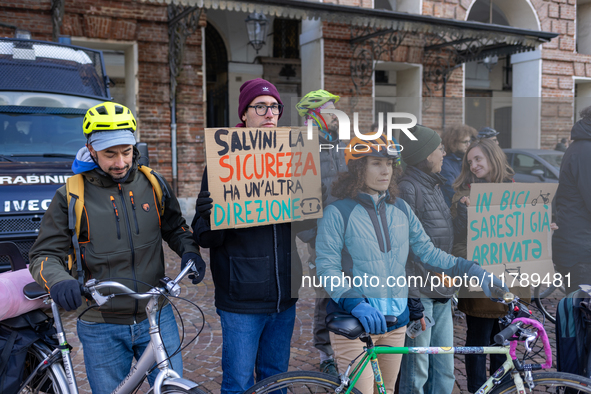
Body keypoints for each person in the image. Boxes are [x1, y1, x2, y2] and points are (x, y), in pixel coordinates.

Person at [28, 102, 205, 394]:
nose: (121, 162)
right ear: (91, 149)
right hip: (101, 323)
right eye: (110, 154)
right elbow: (43, 255)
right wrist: (59, 281)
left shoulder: (153, 183)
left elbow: (175, 227)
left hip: (157, 314)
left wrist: (190, 251)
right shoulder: (71, 195)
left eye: (126, 151)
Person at [315, 133, 508, 394]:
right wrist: (354, 301)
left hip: (396, 322)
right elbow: (326, 268)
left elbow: (430, 253)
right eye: (376, 163)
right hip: (356, 323)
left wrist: (474, 271)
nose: (386, 171)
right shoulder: (338, 212)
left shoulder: (402, 209)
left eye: (390, 164)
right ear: (358, 168)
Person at [192, 78, 301, 394]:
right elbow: (205, 237)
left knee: (275, 379)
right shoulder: (223, 161)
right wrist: (211, 215)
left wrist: (312, 205)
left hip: (286, 295)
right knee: (239, 383)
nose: (270, 113)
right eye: (261, 107)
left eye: (275, 107)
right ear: (245, 114)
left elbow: (306, 232)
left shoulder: (292, 157)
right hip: (241, 298)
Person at [450, 138, 529, 393]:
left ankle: (501, 389)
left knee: (505, 346)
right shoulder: (465, 197)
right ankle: (477, 389)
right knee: (478, 344)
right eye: (469, 161)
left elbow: (526, 236)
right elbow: (458, 244)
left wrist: (541, 231)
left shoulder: (518, 192)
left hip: (511, 283)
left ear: (493, 158)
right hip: (481, 285)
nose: (473, 165)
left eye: (478, 159)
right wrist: (480, 261)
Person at [397, 125, 456, 394]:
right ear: (424, 154)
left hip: (442, 290)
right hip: (421, 294)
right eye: (438, 147)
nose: (444, 152)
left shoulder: (434, 185)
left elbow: (440, 235)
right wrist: (414, 299)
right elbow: (405, 251)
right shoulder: (409, 189)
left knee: (445, 366)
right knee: (417, 369)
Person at [295, 89, 345, 376]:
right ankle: (326, 352)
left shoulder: (342, 144)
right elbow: (297, 202)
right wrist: (313, 237)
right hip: (321, 238)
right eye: (329, 110)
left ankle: (348, 345)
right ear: (313, 116)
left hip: (348, 236)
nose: (335, 115)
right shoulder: (303, 148)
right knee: (325, 295)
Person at [553, 106, 591, 293]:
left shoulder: (582, 147)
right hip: (581, 252)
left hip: (578, 246)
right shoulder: (586, 151)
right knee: (581, 317)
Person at [440, 124, 477, 207]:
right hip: (453, 208)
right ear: (453, 142)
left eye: (469, 141)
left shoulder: (465, 159)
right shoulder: (445, 163)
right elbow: (452, 190)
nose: (468, 144)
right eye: (465, 142)